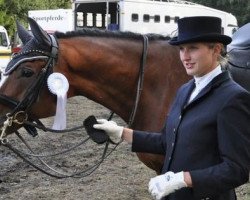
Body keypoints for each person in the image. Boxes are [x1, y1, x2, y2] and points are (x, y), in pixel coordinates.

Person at [93, 16, 250, 200]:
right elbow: (166, 142)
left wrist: (184, 179)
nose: (185, 57)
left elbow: (237, 170)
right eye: (181, 49)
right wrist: (121, 133)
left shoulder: (233, 98)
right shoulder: (185, 90)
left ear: (216, 49)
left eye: (193, 48)